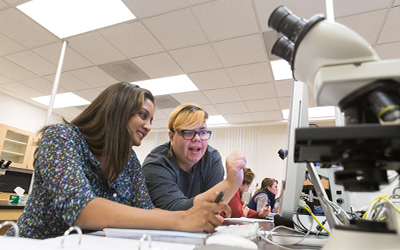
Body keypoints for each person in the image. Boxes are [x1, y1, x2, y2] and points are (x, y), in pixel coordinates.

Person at [6, 83, 231, 239]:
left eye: (151, 119)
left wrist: (190, 218)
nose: (148, 126)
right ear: (117, 110)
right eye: (143, 115)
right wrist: (182, 220)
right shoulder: (62, 138)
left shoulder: (129, 159)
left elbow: (147, 209)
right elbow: (81, 209)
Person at [142, 103, 246, 211]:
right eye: (188, 132)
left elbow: (212, 210)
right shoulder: (156, 164)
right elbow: (174, 210)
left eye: (202, 132)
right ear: (172, 137)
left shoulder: (212, 159)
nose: (197, 138)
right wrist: (230, 183)